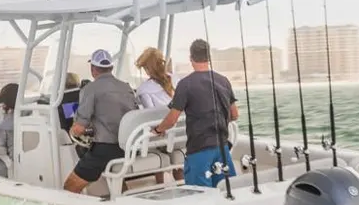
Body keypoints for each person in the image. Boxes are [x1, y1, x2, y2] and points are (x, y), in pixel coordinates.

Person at [152, 39, 239, 187]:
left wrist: (158, 129)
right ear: (209, 57)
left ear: (191, 58)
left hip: (199, 150)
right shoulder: (223, 81)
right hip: (223, 149)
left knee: (199, 196)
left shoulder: (185, 84)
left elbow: (172, 119)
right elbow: (235, 114)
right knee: (226, 191)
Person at [63, 49, 137, 193]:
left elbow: (78, 129)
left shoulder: (90, 89)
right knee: (117, 178)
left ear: (93, 69)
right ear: (111, 68)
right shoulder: (126, 87)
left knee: (69, 188)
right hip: (128, 149)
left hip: (105, 150)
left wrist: (73, 129)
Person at [134, 47, 183, 183]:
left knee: (150, 134)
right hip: (182, 134)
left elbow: (151, 116)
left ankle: (160, 184)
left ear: (148, 69)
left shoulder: (144, 90)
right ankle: (180, 182)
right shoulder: (176, 80)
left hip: (164, 135)